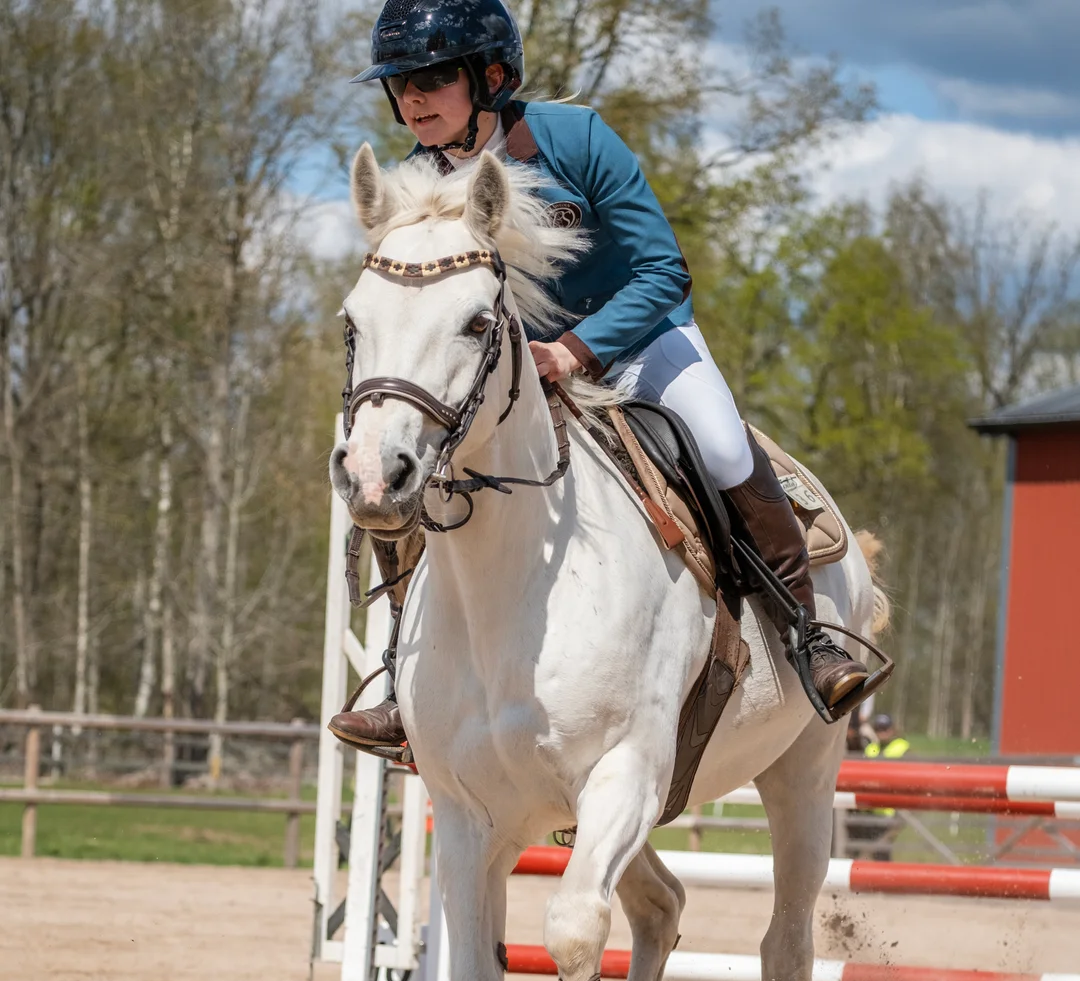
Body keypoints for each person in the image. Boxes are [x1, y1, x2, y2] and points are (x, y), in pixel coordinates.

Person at [330, 0, 869, 752]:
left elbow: (664, 271)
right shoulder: (419, 181)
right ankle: (404, 680)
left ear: (491, 77)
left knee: (720, 446)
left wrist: (575, 351)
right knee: (416, 472)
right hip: (517, 370)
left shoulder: (576, 139)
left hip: (639, 342)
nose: (412, 98)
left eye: (432, 79)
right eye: (400, 84)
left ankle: (807, 635)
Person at [846, 711, 910, 860]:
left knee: (881, 853)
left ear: (892, 729)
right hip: (869, 810)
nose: (882, 732)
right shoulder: (871, 748)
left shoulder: (903, 748)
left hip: (890, 811)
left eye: (885, 728)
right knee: (861, 852)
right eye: (879, 728)